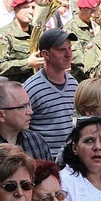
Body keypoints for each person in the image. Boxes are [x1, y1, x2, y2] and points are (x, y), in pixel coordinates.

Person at [25, 29, 79, 158]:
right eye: (62, 50)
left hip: (70, 162)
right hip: (44, 164)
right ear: (46, 54)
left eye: (70, 48)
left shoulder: (73, 83)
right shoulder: (32, 88)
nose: (68, 54)